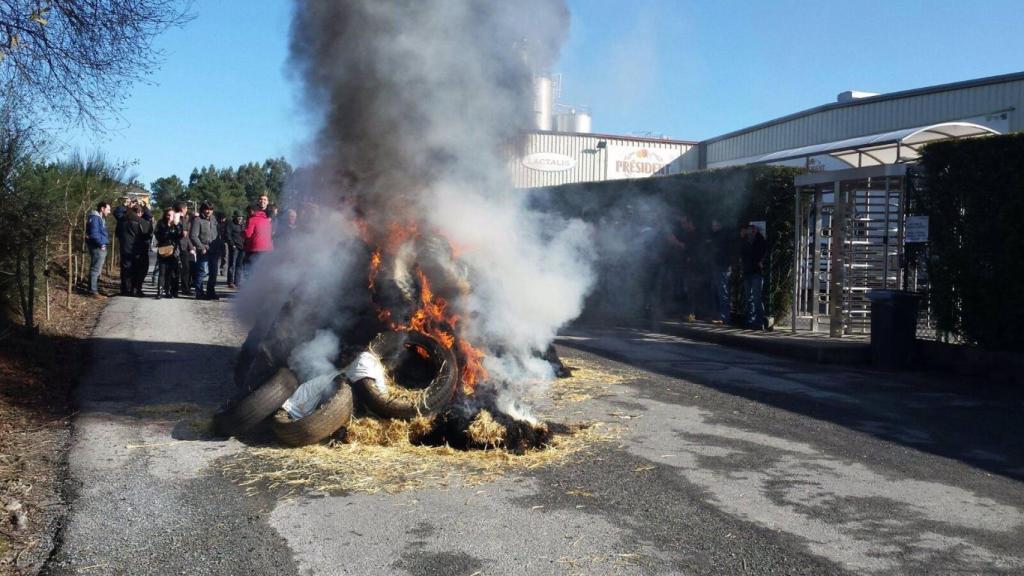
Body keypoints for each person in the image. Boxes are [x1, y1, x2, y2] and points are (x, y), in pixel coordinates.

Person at [705, 219, 734, 325]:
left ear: (719, 225)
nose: (713, 227)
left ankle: (724, 318)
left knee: (722, 293)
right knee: (715, 292)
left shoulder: (723, 236)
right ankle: (717, 316)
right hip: (716, 268)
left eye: (715, 225)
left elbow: (722, 252)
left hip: (723, 268)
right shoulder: (715, 236)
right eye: (713, 225)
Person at [741, 223, 769, 330]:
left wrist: (761, 262)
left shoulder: (760, 240)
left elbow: (765, 252)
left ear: (755, 230)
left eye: (751, 230)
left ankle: (759, 321)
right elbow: (742, 253)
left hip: (756, 272)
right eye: (748, 230)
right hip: (748, 271)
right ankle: (750, 320)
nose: (749, 232)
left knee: (756, 298)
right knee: (749, 298)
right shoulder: (746, 241)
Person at [190, 202, 220, 300]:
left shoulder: (214, 219)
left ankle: (211, 292)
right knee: (202, 272)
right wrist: (201, 247)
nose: (209, 211)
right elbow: (193, 236)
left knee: (214, 273)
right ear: (202, 209)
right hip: (203, 250)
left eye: (211, 209)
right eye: (207, 209)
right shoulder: (197, 220)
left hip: (214, 250)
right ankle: (199, 293)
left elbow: (217, 234)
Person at [154, 208, 182, 298]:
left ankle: (168, 291)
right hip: (163, 250)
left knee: (170, 272)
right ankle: (160, 291)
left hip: (173, 251)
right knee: (162, 272)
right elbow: (158, 235)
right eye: (168, 215)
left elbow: (180, 236)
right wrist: (168, 228)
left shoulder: (177, 224)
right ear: (165, 215)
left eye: (172, 215)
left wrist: (176, 225)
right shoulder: (161, 223)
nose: (170, 217)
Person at [85, 201, 111, 299]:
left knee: (96, 268)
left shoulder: (99, 218)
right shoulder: (95, 218)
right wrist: (101, 244)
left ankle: (92, 289)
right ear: (102, 209)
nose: (109, 212)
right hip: (97, 247)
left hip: (99, 246)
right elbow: (94, 233)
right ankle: (93, 291)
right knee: (95, 269)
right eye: (108, 209)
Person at [243, 196, 274, 277]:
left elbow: (248, 234)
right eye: (261, 199)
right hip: (268, 248)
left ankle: (249, 287)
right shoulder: (266, 219)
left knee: (250, 270)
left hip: (255, 248)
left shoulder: (252, 219)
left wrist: (242, 233)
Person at [131, 206, 153, 296]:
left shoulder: (140, 221)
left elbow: (149, 215)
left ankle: (135, 288)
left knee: (138, 270)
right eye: (139, 212)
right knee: (140, 269)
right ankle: (136, 288)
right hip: (140, 248)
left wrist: (144, 207)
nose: (140, 214)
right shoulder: (141, 222)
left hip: (139, 248)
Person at [174, 202, 194, 296]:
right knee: (183, 269)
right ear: (183, 209)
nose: (187, 210)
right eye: (186, 208)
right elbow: (184, 234)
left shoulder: (183, 219)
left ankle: (183, 288)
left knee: (185, 268)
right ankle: (183, 289)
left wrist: (190, 247)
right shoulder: (178, 219)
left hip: (184, 246)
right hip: (179, 246)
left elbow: (187, 236)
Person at [226, 210, 245, 288]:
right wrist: (232, 244)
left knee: (239, 265)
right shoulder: (230, 224)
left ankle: (237, 282)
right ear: (235, 217)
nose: (239, 219)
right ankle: (230, 281)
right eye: (238, 217)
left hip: (242, 247)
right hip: (234, 247)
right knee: (232, 265)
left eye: (241, 218)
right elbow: (228, 235)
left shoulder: (243, 225)